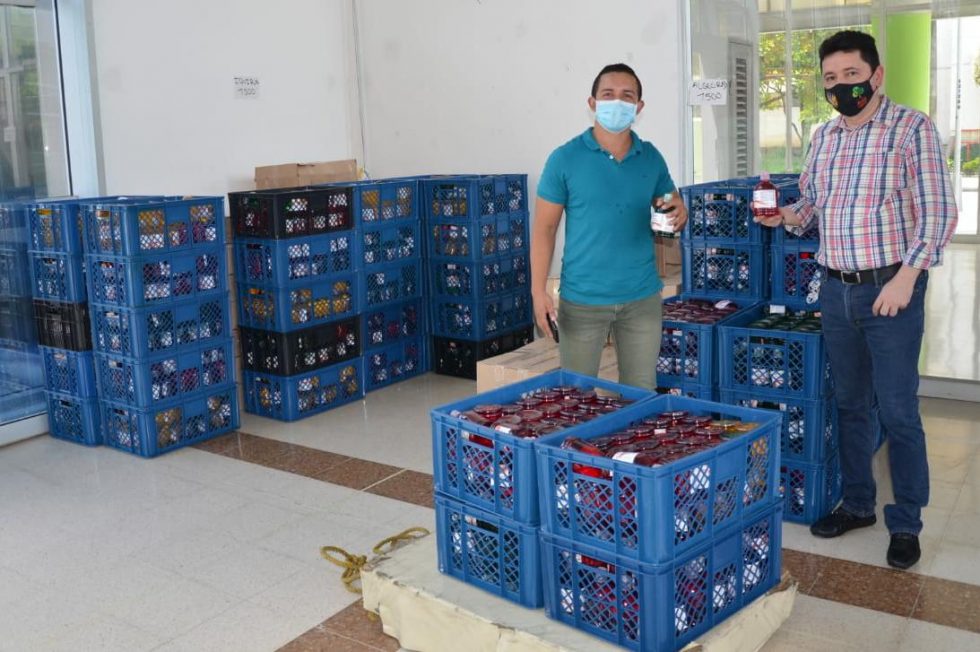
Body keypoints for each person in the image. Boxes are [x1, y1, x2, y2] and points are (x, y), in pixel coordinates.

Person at [754, 31, 957, 570]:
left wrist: (907, 278)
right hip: (835, 289)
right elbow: (812, 207)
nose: (841, 86)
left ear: (876, 75)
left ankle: (906, 521)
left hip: (891, 289)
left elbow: (939, 212)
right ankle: (859, 504)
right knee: (850, 404)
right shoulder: (824, 137)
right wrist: (784, 216)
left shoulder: (910, 128)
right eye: (831, 78)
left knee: (898, 410)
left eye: (851, 75)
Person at [530, 63, 688, 390]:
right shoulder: (564, 159)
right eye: (608, 94)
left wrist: (679, 209)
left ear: (639, 107)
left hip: (641, 298)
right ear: (592, 103)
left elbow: (669, 203)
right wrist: (537, 290)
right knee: (577, 397)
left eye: (627, 96)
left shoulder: (651, 158)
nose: (617, 102)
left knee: (639, 393)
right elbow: (544, 229)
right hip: (582, 300)